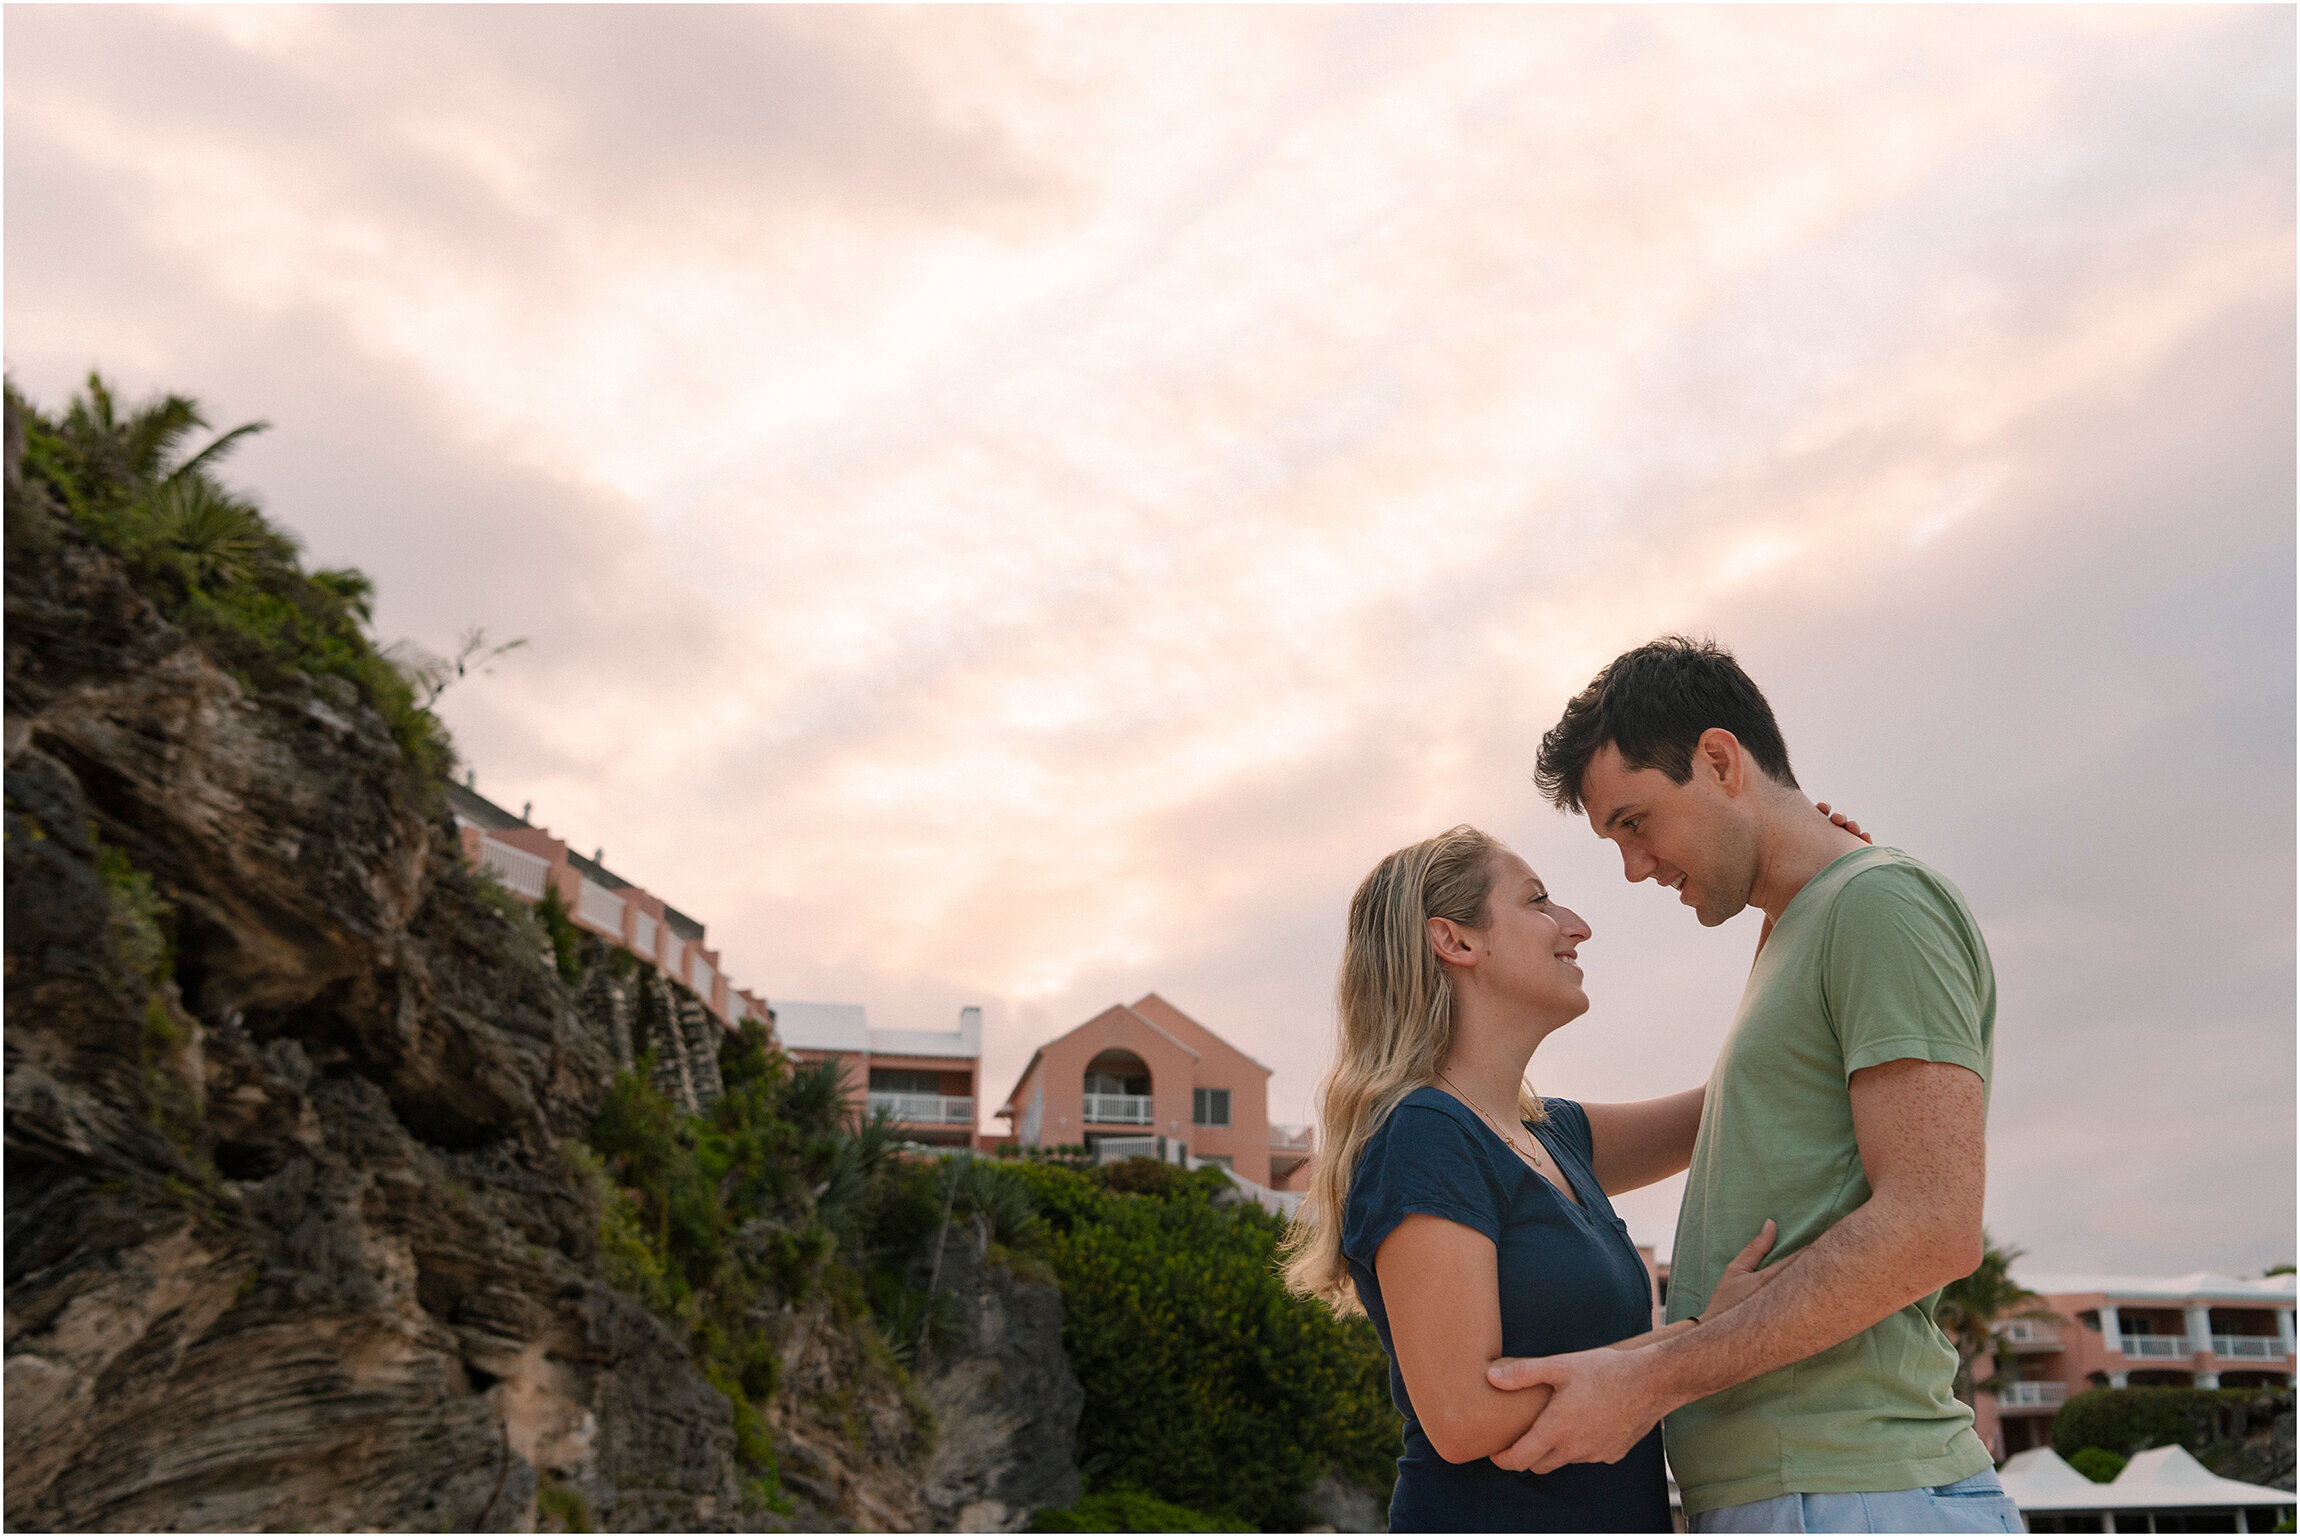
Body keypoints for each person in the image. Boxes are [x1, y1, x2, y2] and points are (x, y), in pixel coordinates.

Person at [1483, 636, 2019, 1534]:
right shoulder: (1808, 925)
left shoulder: (1876, 903)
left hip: (1858, 1492)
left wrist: (1651, 1375)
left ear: (1720, 760)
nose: (1633, 865)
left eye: (1635, 820)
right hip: (1807, 1496)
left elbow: (1933, 1225)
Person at [1280, 824, 1827, 1532]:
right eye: (1539, 902)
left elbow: (1739, 1093)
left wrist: (1797, 897)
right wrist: (1703, 1337)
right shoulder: (1424, 1134)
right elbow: (1463, 1417)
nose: (1578, 925)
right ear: (1457, 940)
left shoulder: (1552, 1135)